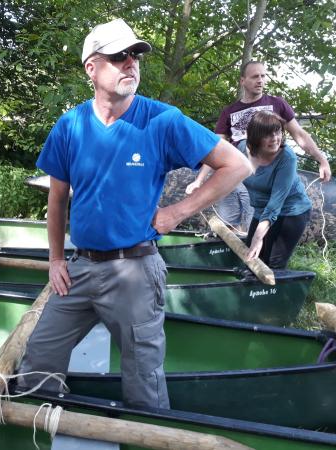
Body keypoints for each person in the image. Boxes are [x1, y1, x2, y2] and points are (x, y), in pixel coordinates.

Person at [17, 18, 251, 410]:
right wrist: (56, 258)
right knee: (38, 359)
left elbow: (237, 165)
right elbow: (56, 199)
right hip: (79, 269)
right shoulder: (70, 125)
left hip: (135, 271)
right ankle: (40, 424)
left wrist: (178, 211)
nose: (131, 63)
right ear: (91, 68)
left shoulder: (162, 119)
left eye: (135, 55)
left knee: (143, 379)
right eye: (119, 56)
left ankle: (146, 432)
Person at [186, 60, 331, 232]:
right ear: (242, 80)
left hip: (258, 178)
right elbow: (216, 149)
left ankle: (252, 254)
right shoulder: (229, 112)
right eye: (255, 76)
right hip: (230, 174)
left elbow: (299, 134)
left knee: (251, 228)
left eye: (263, 76)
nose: (260, 80)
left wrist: (322, 160)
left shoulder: (277, 104)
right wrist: (199, 180)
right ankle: (227, 256)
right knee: (226, 227)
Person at [239, 111, 312, 269]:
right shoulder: (242, 149)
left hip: (291, 212)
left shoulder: (287, 158)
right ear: (255, 137)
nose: (275, 138)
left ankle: (274, 291)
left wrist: (258, 237)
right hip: (261, 211)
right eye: (267, 134)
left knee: (273, 263)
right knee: (250, 258)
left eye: (277, 131)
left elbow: (274, 204)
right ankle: (249, 292)